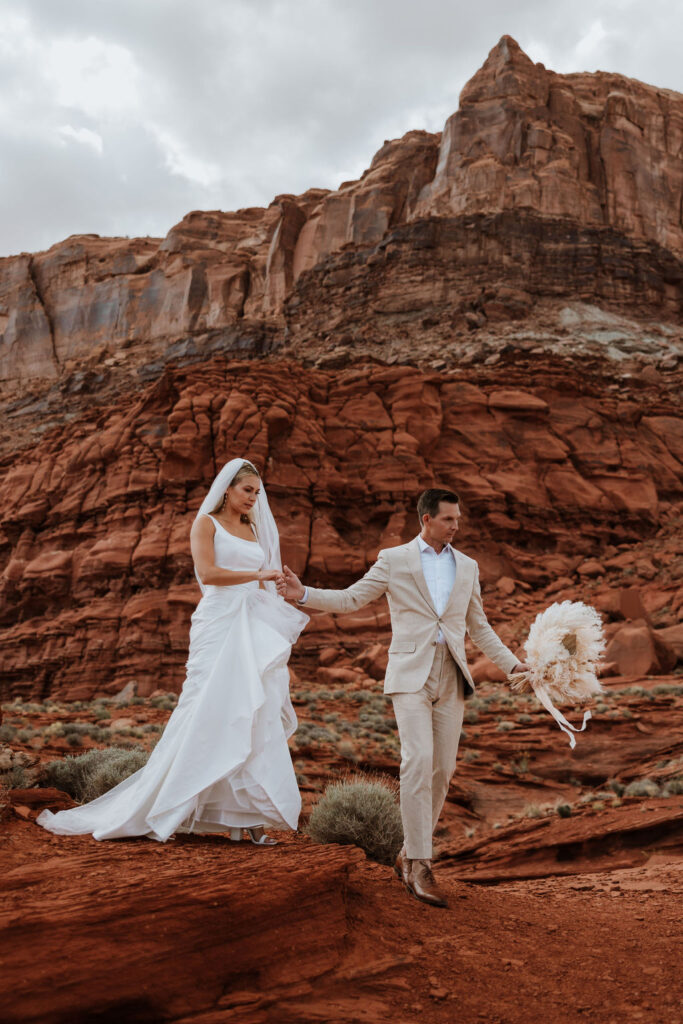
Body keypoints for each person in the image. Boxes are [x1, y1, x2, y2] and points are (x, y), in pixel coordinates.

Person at [37, 458, 308, 845]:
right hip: (219, 621)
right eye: (247, 490)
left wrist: (276, 591)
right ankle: (170, 805)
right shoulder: (206, 524)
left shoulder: (253, 528)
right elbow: (209, 574)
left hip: (250, 624)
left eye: (257, 493)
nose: (253, 498)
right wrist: (258, 574)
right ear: (227, 489)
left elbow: (265, 582)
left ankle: (245, 817)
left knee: (249, 713)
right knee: (205, 709)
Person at [282, 488, 528, 907]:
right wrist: (303, 593)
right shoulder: (394, 560)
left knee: (442, 770)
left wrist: (513, 666)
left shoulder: (467, 566)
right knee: (417, 761)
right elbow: (353, 598)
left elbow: (479, 627)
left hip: (452, 674)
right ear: (426, 519)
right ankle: (419, 863)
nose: (456, 525)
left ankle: (408, 853)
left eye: (458, 518)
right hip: (410, 674)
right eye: (449, 518)